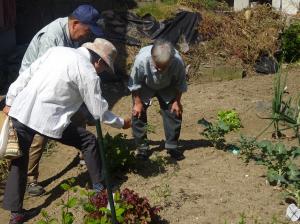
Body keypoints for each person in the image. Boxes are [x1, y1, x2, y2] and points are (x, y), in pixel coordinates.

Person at [3, 38, 131, 224]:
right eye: (104, 68)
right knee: (88, 141)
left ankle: (16, 214)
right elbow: (98, 111)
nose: (102, 72)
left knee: (19, 160)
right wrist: (121, 123)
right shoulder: (88, 72)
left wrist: (10, 99)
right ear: (99, 61)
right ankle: (99, 190)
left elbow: (27, 74)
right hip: (49, 120)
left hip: (22, 110)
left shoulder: (57, 51)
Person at [19, 4, 104, 196]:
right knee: (40, 130)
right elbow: (46, 74)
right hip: (36, 87)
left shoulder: (72, 36)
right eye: (87, 30)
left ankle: (85, 156)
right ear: (75, 24)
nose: (87, 36)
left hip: (56, 83)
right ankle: (31, 179)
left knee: (79, 116)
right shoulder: (53, 38)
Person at [128, 39, 187, 161]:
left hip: (168, 85)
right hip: (145, 84)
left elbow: (180, 83)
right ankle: (142, 147)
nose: (160, 70)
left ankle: (172, 146)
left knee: (174, 112)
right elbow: (134, 83)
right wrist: (138, 103)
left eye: (164, 67)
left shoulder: (177, 62)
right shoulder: (142, 60)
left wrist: (177, 101)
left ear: (170, 60)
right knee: (138, 113)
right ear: (152, 58)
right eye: (158, 66)